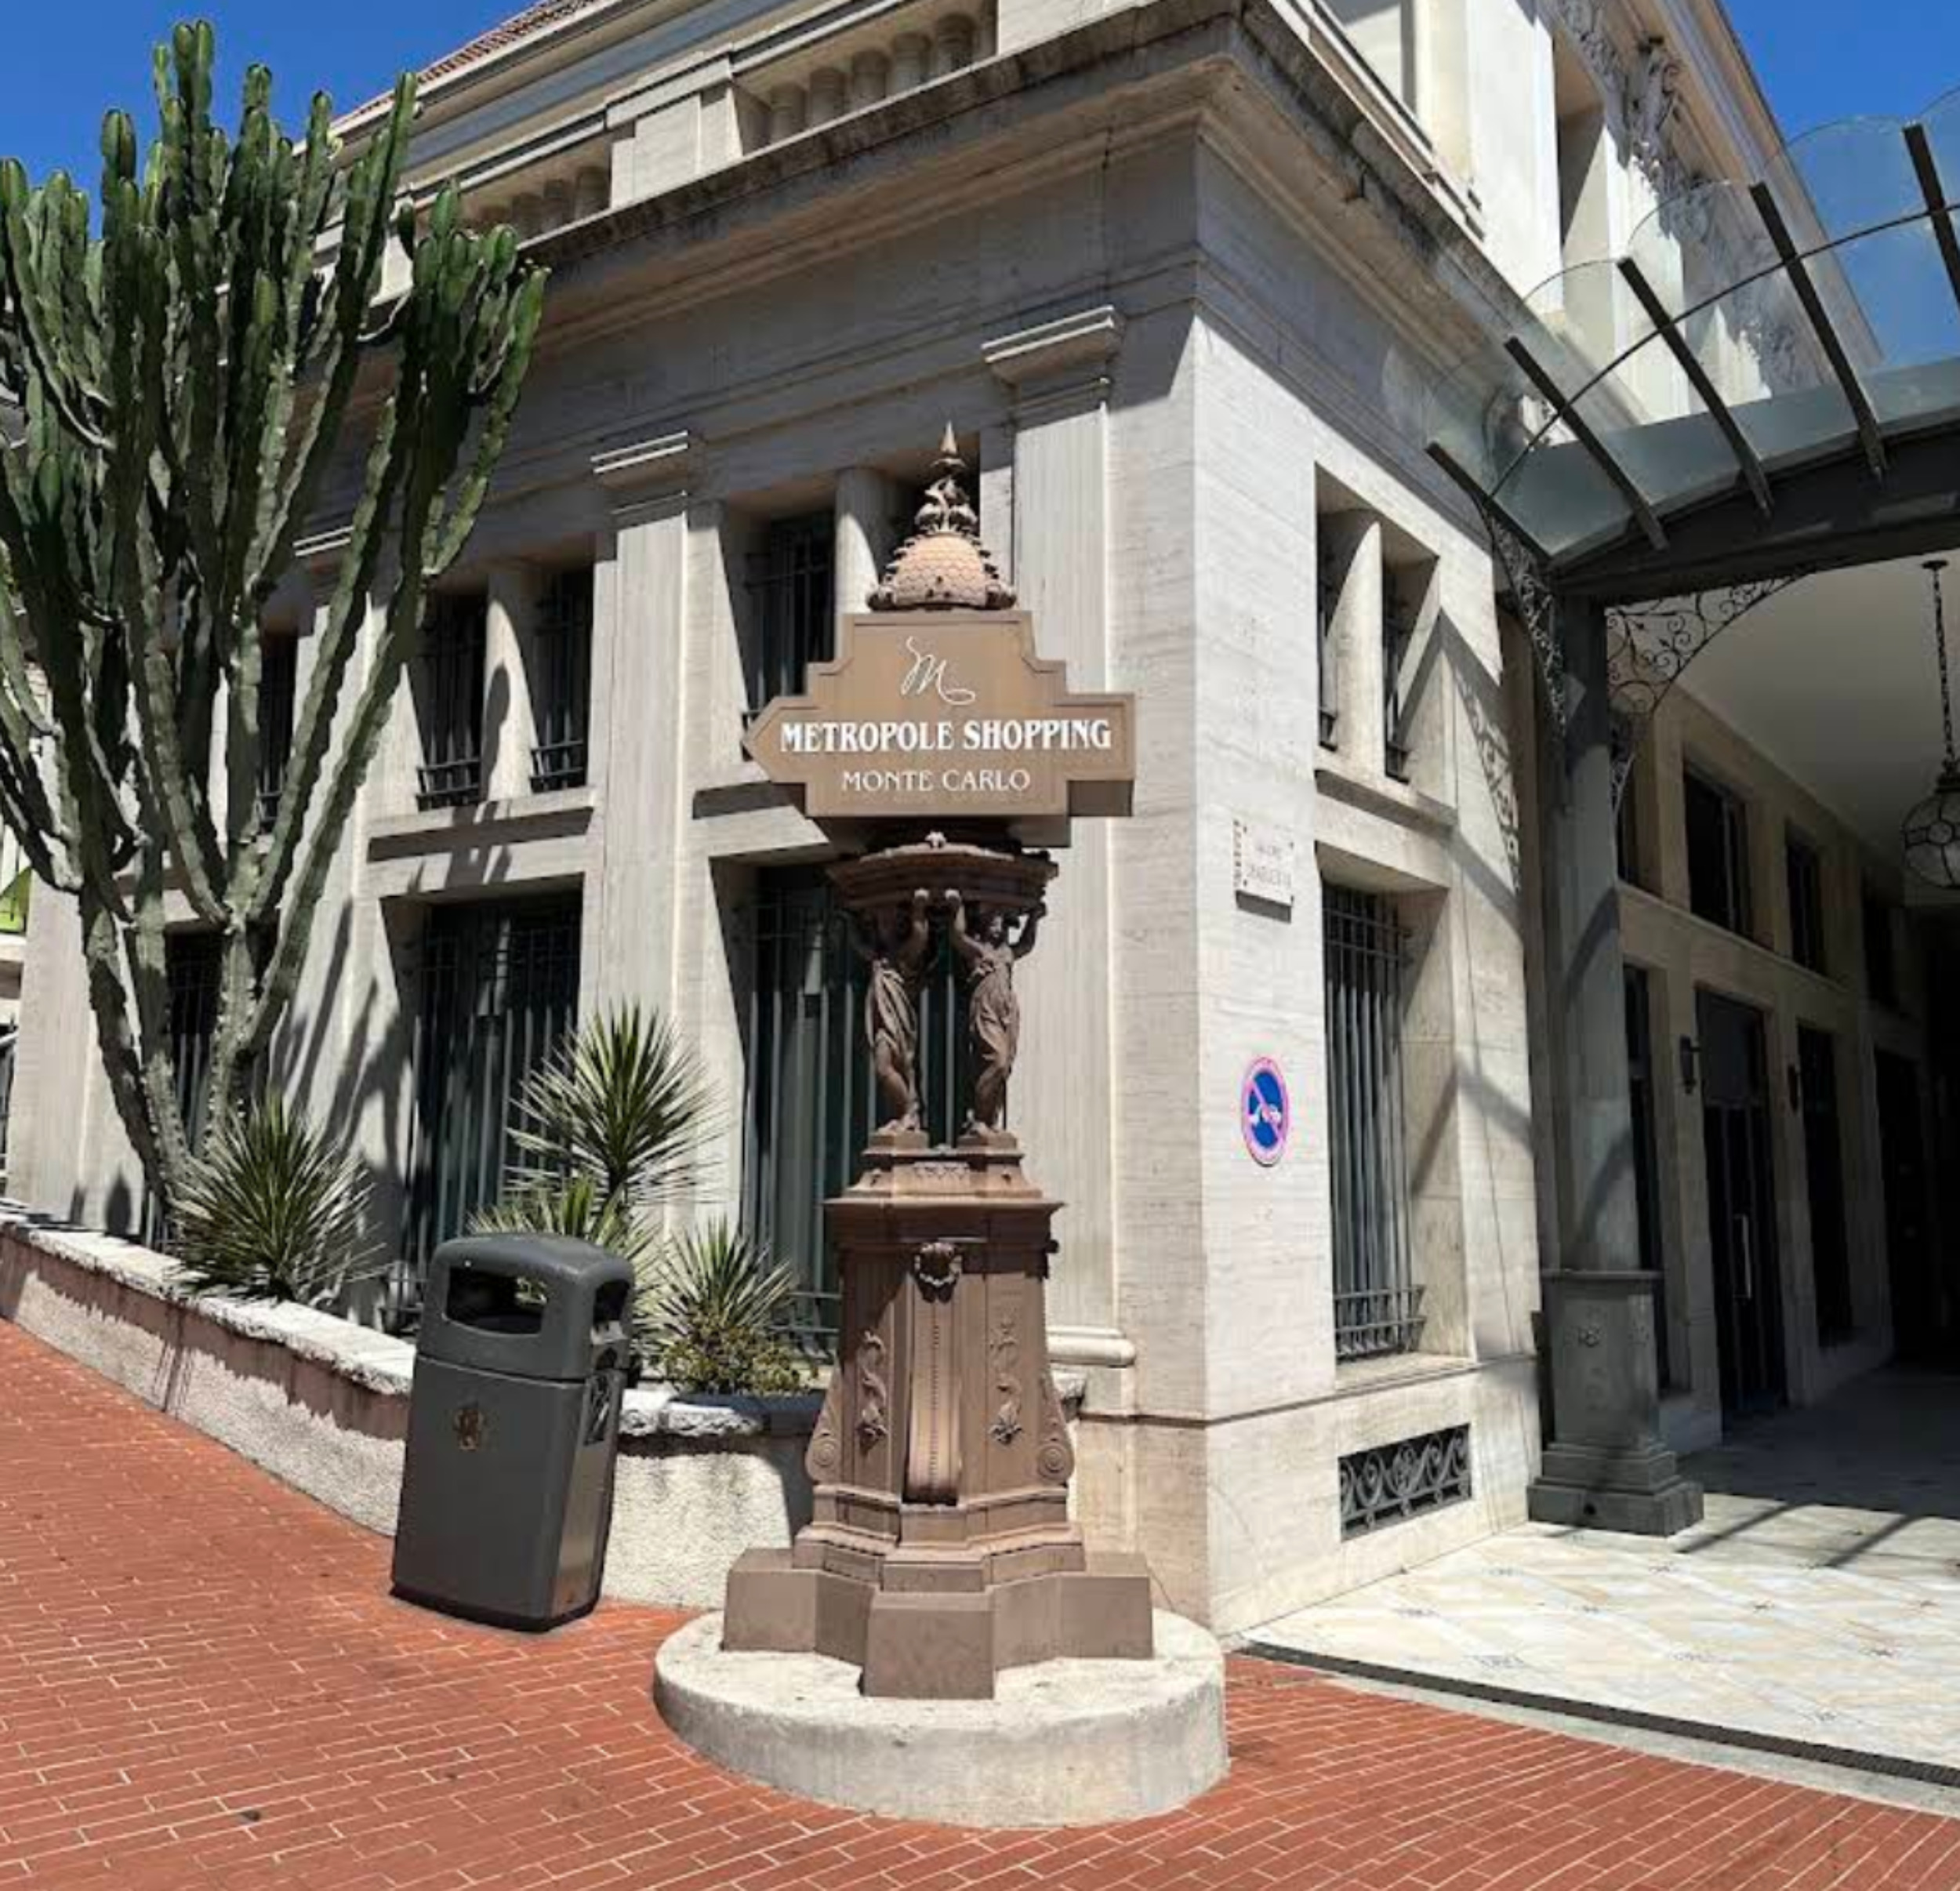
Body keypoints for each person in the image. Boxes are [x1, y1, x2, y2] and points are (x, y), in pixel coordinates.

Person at [948, 892, 1043, 1134]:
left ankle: (989, 1119)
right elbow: (958, 936)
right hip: (986, 1010)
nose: (998, 927)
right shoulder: (980, 951)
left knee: (1004, 1066)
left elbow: (1026, 945)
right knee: (997, 1061)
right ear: (984, 925)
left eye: (1001, 923)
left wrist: (1034, 919)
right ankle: (979, 1116)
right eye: (993, 922)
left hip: (1007, 1012)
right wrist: (958, 906)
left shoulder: (1006, 953)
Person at [848, 889, 934, 1131]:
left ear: (899, 925)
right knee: (885, 1069)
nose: (884, 928)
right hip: (881, 1022)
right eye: (881, 923)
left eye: (889, 922)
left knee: (889, 1067)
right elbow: (860, 945)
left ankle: (909, 1113)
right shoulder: (879, 956)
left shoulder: (904, 955)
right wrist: (850, 920)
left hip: (898, 1021)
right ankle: (904, 1114)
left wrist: (919, 909)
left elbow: (920, 936)